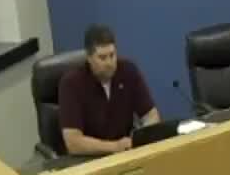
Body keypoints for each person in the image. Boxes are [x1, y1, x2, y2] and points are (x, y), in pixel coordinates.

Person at [58, 24, 161, 155]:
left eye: (112, 55)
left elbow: (151, 115)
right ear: (89, 58)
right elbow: (73, 142)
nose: (109, 63)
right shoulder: (71, 84)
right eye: (102, 57)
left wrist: (140, 138)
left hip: (127, 153)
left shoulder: (128, 71)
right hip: (89, 159)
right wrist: (115, 147)